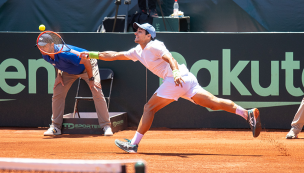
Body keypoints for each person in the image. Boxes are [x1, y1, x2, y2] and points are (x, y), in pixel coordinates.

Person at [79, 23, 262, 153]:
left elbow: (170, 58)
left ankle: (133, 144)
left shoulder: (155, 45)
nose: (136, 33)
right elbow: (114, 55)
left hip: (176, 78)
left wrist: (174, 73)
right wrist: (93, 54)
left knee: (149, 108)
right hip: (186, 78)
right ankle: (247, 114)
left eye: (140, 31)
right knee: (212, 103)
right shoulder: (138, 51)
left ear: (149, 35)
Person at [37, 34, 113, 136]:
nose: (41, 49)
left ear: (52, 45)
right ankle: (55, 127)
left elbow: (86, 61)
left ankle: (106, 126)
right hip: (69, 71)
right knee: (58, 91)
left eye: (44, 46)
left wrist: (91, 79)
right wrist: (59, 75)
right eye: (39, 46)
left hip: (87, 67)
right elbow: (58, 63)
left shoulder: (66, 53)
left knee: (96, 90)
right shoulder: (45, 54)